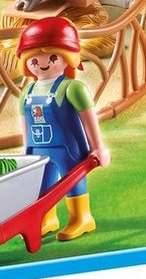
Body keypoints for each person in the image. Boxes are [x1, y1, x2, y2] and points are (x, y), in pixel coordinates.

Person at [16, 17, 110, 240]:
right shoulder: (27, 93)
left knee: (73, 181)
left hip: (67, 148)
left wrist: (99, 147)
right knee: (42, 184)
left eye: (52, 57)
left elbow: (88, 118)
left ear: (68, 57)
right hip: (38, 149)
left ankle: (81, 217)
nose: (42, 63)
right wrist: (26, 150)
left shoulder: (72, 88)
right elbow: (25, 124)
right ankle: (46, 218)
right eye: (34, 59)